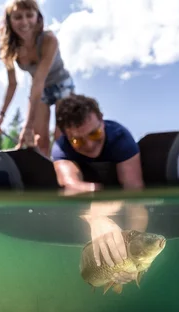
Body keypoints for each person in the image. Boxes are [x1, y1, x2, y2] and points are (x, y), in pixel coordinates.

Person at [51, 94, 148, 285]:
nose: (89, 144)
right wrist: (95, 217)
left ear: (102, 119)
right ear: (65, 136)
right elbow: (71, 186)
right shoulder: (61, 148)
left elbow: (134, 193)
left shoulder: (121, 138)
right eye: (77, 141)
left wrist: (133, 256)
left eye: (94, 134)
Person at [0, 0, 75, 157]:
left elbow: (38, 81)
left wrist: (27, 125)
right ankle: (43, 176)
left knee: (60, 139)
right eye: (17, 17)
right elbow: (12, 84)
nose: (24, 22)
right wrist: (1, 114)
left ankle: (62, 172)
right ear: (9, 20)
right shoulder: (9, 50)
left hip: (62, 85)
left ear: (38, 17)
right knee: (39, 140)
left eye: (29, 15)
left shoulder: (49, 40)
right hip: (40, 90)